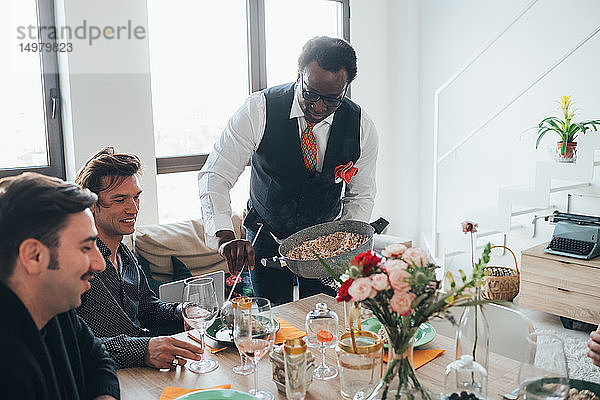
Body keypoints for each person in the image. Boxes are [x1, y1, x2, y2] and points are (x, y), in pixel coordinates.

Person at [199, 36, 378, 305]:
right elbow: (216, 174)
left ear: (346, 88)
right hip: (264, 234)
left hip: (323, 244)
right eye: (311, 94)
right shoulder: (258, 109)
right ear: (299, 76)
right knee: (269, 319)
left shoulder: (361, 126)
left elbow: (361, 194)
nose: (318, 108)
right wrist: (225, 234)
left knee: (325, 316)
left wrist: (346, 244)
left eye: (331, 101)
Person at [76, 148, 203, 369]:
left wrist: (183, 311)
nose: (133, 208)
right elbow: (75, 347)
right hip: (104, 376)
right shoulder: (77, 265)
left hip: (141, 373)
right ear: (92, 206)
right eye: (120, 200)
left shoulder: (125, 254)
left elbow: (147, 308)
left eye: (136, 197)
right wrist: (143, 350)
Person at [0, 172, 120, 399]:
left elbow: (98, 361)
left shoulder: (55, 310)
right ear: (34, 256)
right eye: (86, 248)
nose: (100, 264)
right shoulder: (7, 363)